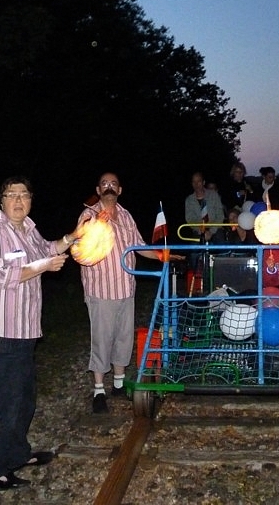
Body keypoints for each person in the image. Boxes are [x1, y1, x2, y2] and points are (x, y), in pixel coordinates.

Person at [0, 176, 68, 491]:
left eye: (24, 194)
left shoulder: (28, 228)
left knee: (23, 399)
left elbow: (48, 248)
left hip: (23, 330)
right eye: (11, 195)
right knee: (3, 401)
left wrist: (73, 237)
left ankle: (16, 455)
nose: (18, 200)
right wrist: (44, 266)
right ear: (1, 201)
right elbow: (1, 275)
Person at [74, 172, 182, 414]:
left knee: (124, 338)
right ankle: (99, 390)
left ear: (120, 190)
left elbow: (140, 247)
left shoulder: (125, 216)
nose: (109, 187)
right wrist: (96, 226)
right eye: (104, 184)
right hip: (101, 290)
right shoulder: (88, 215)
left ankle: (120, 385)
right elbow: (79, 251)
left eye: (113, 184)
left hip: (125, 288)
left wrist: (164, 256)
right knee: (102, 340)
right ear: (98, 189)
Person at [184, 171, 227, 245]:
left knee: (221, 244)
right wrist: (200, 230)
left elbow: (220, 215)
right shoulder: (189, 200)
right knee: (193, 251)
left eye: (199, 181)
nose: (196, 184)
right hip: (198, 230)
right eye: (194, 182)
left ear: (203, 182)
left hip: (215, 228)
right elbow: (190, 219)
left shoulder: (214, 195)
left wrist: (211, 231)